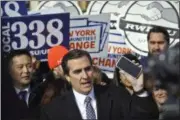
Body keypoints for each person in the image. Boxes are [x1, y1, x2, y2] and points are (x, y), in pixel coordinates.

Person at [40, 49, 159, 120]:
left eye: (88, 69)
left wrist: (139, 89)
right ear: (67, 77)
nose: (85, 76)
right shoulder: (53, 110)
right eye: (77, 71)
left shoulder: (116, 95)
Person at [2, 49, 43, 120]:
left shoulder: (43, 92)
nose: (26, 71)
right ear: (9, 71)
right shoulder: (2, 96)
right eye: (20, 67)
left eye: (29, 66)